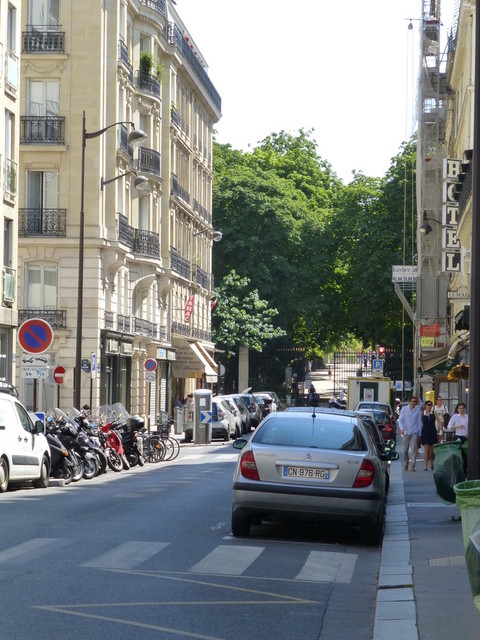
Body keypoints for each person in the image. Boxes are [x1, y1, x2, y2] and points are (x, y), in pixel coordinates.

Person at [398, 396, 422, 472]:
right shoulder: (404, 409)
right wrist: (402, 428)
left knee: (414, 449)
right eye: (413, 401)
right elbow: (400, 420)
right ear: (409, 402)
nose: (414, 403)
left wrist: (419, 434)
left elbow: (419, 422)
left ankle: (412, 465)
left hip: (414, 431)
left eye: (415, 402)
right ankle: (406, 462)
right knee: (405, 450)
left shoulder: (417, 411)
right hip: (406, 432)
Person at [421, 401, 437, 470]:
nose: (430, 406)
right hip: (425, 432)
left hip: (432, 431)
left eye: (431, 405)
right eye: (429, 405)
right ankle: (425, 465)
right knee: (426, 449)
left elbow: (438, 421)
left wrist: (441, 429)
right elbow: (420, 423)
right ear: (425, 406)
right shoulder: (422, 414)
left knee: (431, 450)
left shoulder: (434, 413)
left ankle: (431, 463)